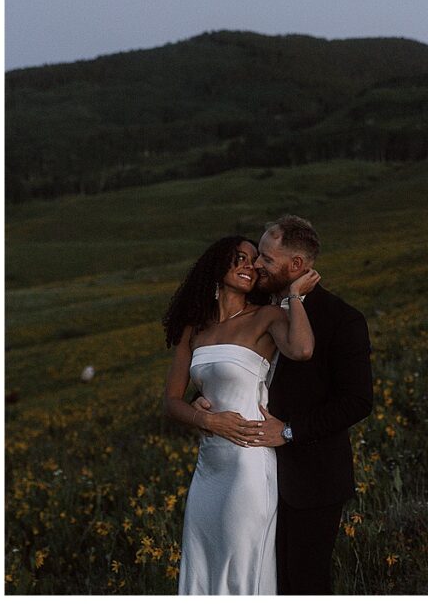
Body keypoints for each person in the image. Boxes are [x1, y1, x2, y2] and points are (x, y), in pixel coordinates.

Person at [192, 215, 374, 594]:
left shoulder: (342, 320)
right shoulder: (253, 306)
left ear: (297, 266)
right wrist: (207, 394)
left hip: (311, 479)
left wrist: (289, 431)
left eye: (267, 260)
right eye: (257, 256)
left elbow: (357, 401)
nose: (256, 265)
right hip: (250, 476)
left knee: (304, 584)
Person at [161, 235, 320, 595]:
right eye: (240, 259)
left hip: (249, 460)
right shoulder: (195, 330)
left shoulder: (267, 316)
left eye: (253, 260)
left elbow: (302, 349)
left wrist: (293, 297)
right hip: (209, 467)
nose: (249, 266)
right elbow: (171, 402)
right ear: (217, 267)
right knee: (202, 561)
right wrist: (204, 418)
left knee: (241, 561)